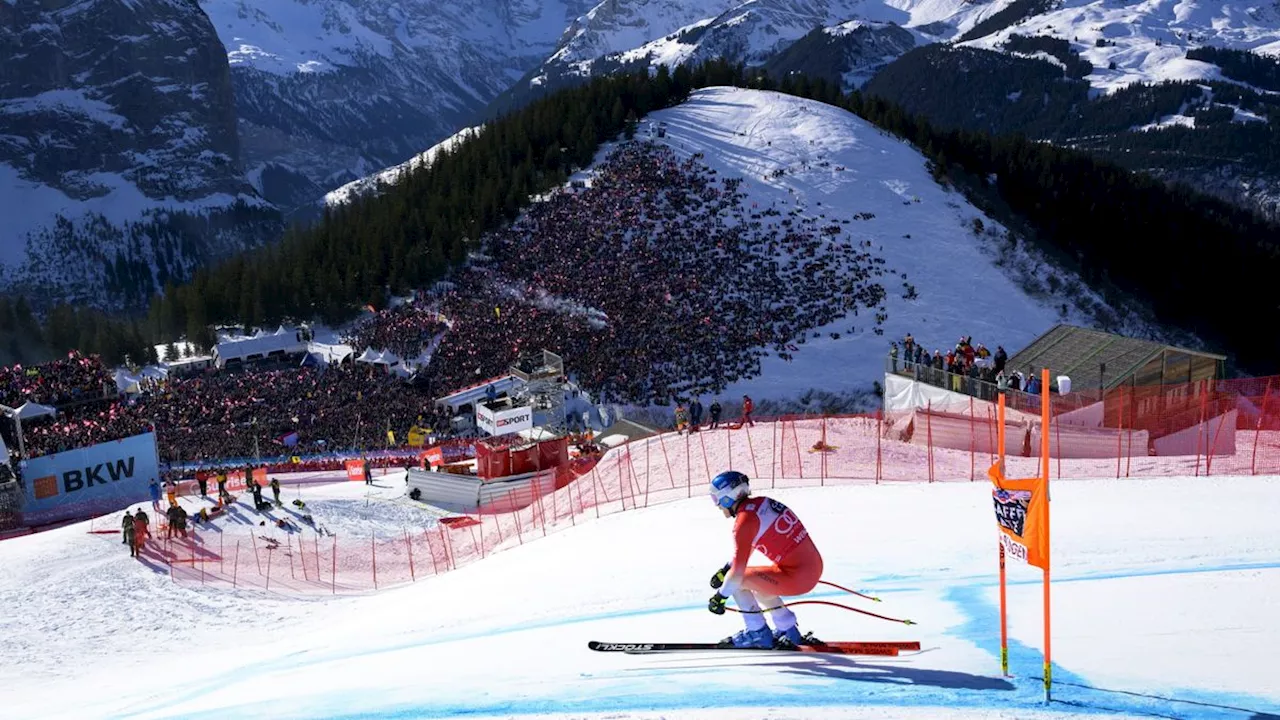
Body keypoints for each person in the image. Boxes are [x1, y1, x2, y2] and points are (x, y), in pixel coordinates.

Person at [706, 471, 823, 649]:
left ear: (728, 498)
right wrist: (725, 569)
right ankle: (787, 629)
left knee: (738, 582)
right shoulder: (762, 504)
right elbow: (750, 545)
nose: (717, 506)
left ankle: (757, 632)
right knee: (757, 582)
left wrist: (720, 597)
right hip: (809, 569)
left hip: (797, 577)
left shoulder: (744, 522)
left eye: (716, 500)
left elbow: (737, 574)